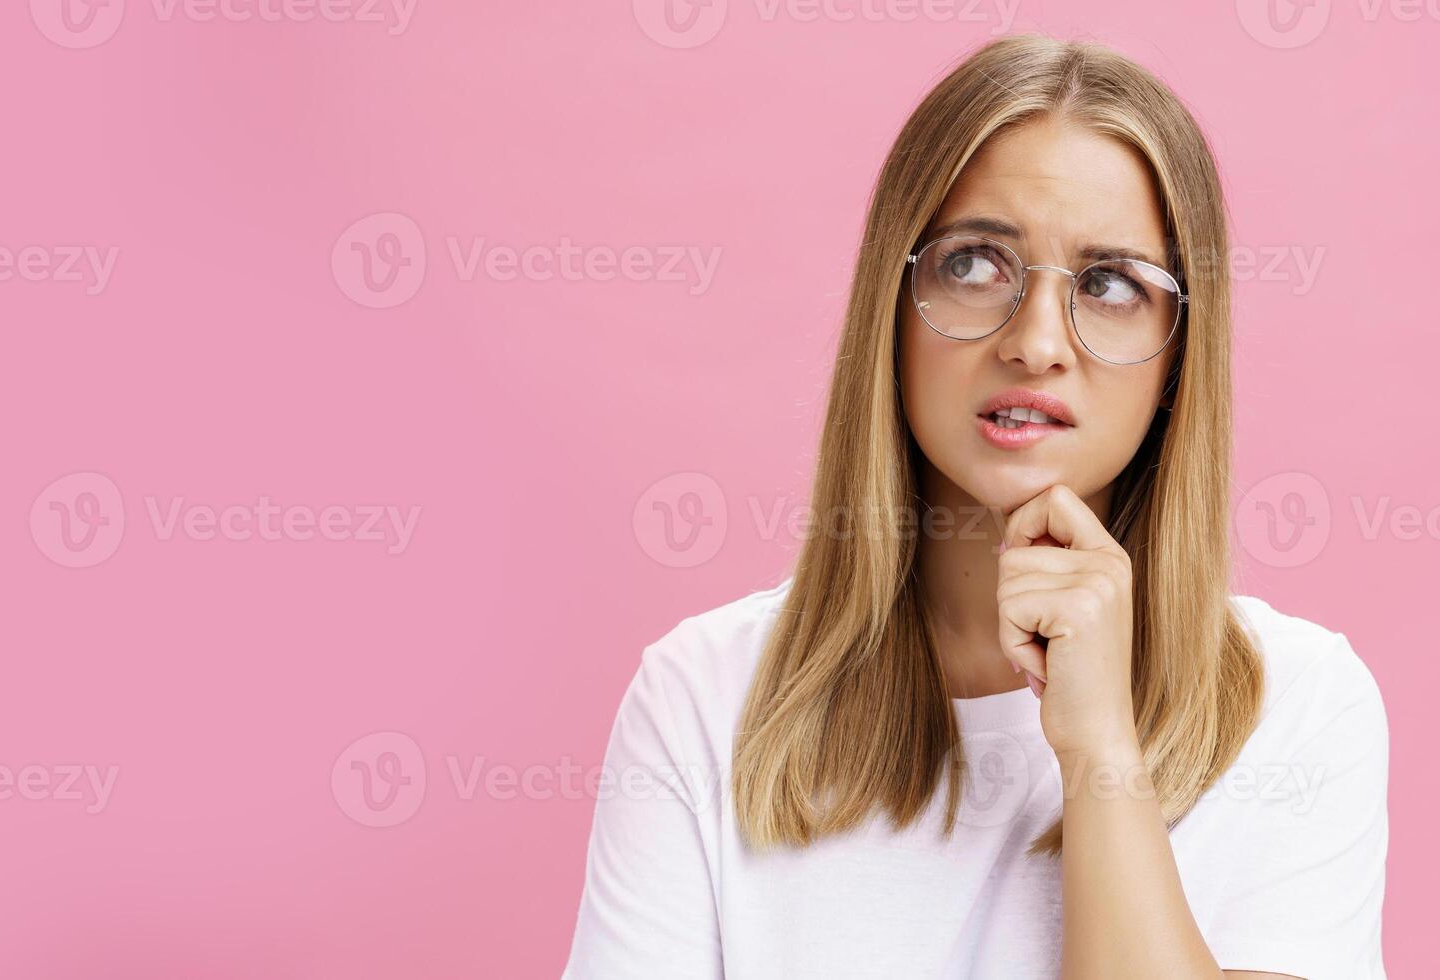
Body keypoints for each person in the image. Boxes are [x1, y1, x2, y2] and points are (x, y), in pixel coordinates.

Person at [564, 33, 1389, 979]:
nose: (1037, 343)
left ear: (1176, 360)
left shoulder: (1299, 704)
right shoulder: (703, 700)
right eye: (973, 265)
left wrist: (1100, 756)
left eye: (1111, 284)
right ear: (894, 304)